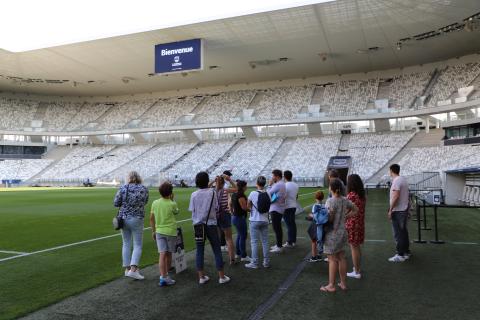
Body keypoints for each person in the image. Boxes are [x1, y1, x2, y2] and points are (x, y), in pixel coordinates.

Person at [189, 171, 230, 284]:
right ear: (207, 181)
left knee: (199, 250)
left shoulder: (194, 194)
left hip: (198, 225)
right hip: (211, 224)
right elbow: (216, 207)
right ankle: (221, 276)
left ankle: (201, 277)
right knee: (217, 249)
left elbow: (192, 210)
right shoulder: (212, 193)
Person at [321, 179, 358, 293]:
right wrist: (346, 217)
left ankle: (331, 285)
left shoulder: (330, 201)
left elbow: (330, 218)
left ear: (331, 188)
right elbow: (355, 209)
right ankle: (343, 283)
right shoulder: (345, 199)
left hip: (333, 233)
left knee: (332, 259)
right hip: (343, 232)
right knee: (341, 257)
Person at [114, 171, 149, 280]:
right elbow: (145, 202)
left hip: (124, 218)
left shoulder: (123, 188)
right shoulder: (144, 188)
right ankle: (133, 270)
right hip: (137, 218)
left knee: (126, 243)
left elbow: (116, 203)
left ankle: (127, 269)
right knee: (137, 244)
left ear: (129, 178)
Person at [149, 182, 179, 287]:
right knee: (169, 254)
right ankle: (166, 277)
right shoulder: (172, 203)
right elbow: (176, 212)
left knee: (162, 254)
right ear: (171, 192)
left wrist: (153, 231)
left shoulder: (155, 202)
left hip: (159, 231)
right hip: (170, 232)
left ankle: (163, 277)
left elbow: (151, 218)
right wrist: (172, 199)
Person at [210, 175, 237, 264]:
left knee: (217, 239)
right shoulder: (225, 190)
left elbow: (206, 187)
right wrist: (229, 179)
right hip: (225, 214)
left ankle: (219, 259)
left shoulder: (212, 191)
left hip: (215, 215)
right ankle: (232, 259)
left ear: (216, 183)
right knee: (229, 238)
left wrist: (213, 181)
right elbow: (236, 189)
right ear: (224, 183)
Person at [245, 176, 270, 269]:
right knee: (265, 241)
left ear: (257, 183)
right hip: (265, 220)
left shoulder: (252, 193)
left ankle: (255, 263)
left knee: (254, 242)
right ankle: (266, 262)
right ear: (264, 184)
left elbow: (248, 207)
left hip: (254, 220)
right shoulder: (268, 194)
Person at [387, 164, 411, 262]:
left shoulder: (396, 181)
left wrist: (390, 209)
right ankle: (406, 252)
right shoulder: (403, 179)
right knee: (403, 232)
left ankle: (400, 254)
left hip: (398, 211)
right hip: (403, 209)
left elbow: (396, 196)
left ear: (391, 171)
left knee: (398, 233)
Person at [345, 174, 366, 279]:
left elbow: (346, 211)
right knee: (357, 247)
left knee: (353, 247)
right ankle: (357, 268)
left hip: (352, 224)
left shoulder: (351, 195)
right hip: (360, 223)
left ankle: (356, 271)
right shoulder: (361, 195)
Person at [230, 180, 250, 262]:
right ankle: (243, 256)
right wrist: (252, 210)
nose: (246, 187)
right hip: (239, 218)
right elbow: (244, 207)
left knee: (239, 235)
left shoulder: (234, 194)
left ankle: (238, 253)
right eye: (245, 186)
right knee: (243, 236)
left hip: (235, 217)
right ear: (243, 187)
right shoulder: (240, 195)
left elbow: (230, 204)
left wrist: (232, 212)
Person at [268, 169, 286, 253]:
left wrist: (269, 185)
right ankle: (278, 244)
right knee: (277, 228)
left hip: (276, 208)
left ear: (277, 176)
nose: (272, 178)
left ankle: (279, 246)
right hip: (279, 207)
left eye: (273, 176)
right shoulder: (282, 184)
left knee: (277, 228)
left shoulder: (278, 184)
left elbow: (268, 193)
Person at [307, 191, 327, 262]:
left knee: (314, 240)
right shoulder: (325, 205)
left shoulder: (315, 206)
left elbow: (314, 216)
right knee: (321, 239)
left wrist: (310, 215)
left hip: (316, 224)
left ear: (315, 198)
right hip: (323, 225)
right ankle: (319, 255)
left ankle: (313, 256)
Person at [283, 170, 299, 248]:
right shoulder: (296, 185)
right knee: (292, 223)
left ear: (284, 177)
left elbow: (283, 197)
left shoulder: (285, 185)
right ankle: (293, 241)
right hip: (293, 206)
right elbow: (296, 196)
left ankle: (290, 241)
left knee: (289, 224)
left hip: (286, 206)